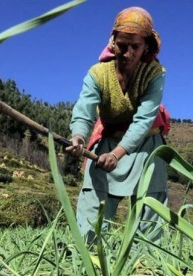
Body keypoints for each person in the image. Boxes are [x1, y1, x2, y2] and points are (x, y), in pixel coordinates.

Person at [66, 6, 169, 242]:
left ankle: (147, 268)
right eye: (123, 45)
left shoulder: (154, 73)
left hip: (145, 147)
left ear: (146, 47)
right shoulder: (98, 74)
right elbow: (84, 110)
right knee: (93, 204)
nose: (129, 53)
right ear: (113, 42)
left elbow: (144, 120)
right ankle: (88, 256)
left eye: (136, 47)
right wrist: (79, 137)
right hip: (107, 141)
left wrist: (118, 154)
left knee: (149, 210)